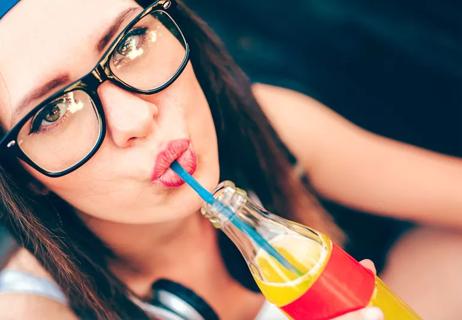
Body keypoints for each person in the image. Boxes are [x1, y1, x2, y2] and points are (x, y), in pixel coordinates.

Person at [0, 0, 461, 319]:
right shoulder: (34, 310)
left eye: (129, 43)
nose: (137, 116)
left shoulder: (273, 127)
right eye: (53, 112)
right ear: (24, 176)